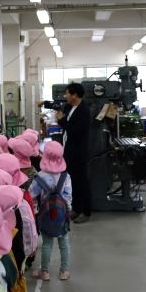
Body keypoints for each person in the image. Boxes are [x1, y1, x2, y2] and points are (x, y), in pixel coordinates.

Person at [30, 140, 72, 281]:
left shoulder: (40, 176)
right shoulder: (66, 176)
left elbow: (31, 194)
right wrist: (67, 211)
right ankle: (64, 270)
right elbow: (68, 196)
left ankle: (45, 272)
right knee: (64, 243)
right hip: (62, 215)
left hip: (46, 215)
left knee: (47, 244)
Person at [55, 82, 92, 223]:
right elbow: (68, 125)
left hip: (78, 152)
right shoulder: (71, 107)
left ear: (74, 95)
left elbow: (75, 131)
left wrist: (61, 120)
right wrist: (61, 119)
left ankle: (86, 212)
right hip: (70, 150)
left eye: (67, 93)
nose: (65, 96)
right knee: (74, 181)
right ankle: (76, 209)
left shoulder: (84, 111)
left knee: (82, 182)